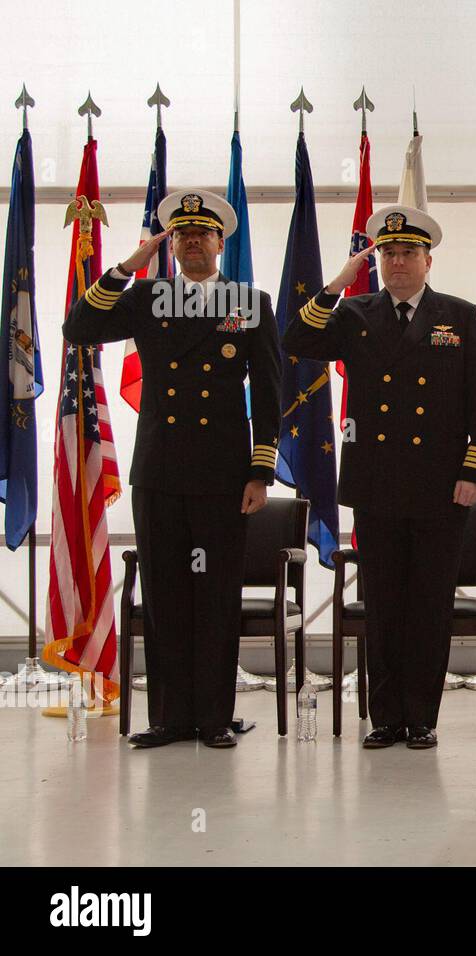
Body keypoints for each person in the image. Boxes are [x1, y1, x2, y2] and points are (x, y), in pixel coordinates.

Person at [64, 189, 281, 748]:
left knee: (214, 595)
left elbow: (270, 392)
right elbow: (79, 328)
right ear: (171, 245)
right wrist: (122, 268)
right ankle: (169, 718)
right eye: (181, 234)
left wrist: (260, 472)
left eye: (202, 233)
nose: (192, 241)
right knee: (164, 594)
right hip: (159, 471)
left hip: (223, 474)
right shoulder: (146, 297)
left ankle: (213, 718)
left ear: (219, 242)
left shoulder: (249, 303)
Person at [282, 205, 476, 749]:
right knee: (382, 605)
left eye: (408, 253)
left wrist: (475, 469)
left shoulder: (460, 314)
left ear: (428, 260)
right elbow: (296, 341)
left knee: (428, 605)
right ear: (375, 260)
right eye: (387, 253)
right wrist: (337, 284)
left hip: (441, 484)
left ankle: (421, 717)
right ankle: (384, 717)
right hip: (376, 483)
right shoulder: (356, 313)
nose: (397, 262)